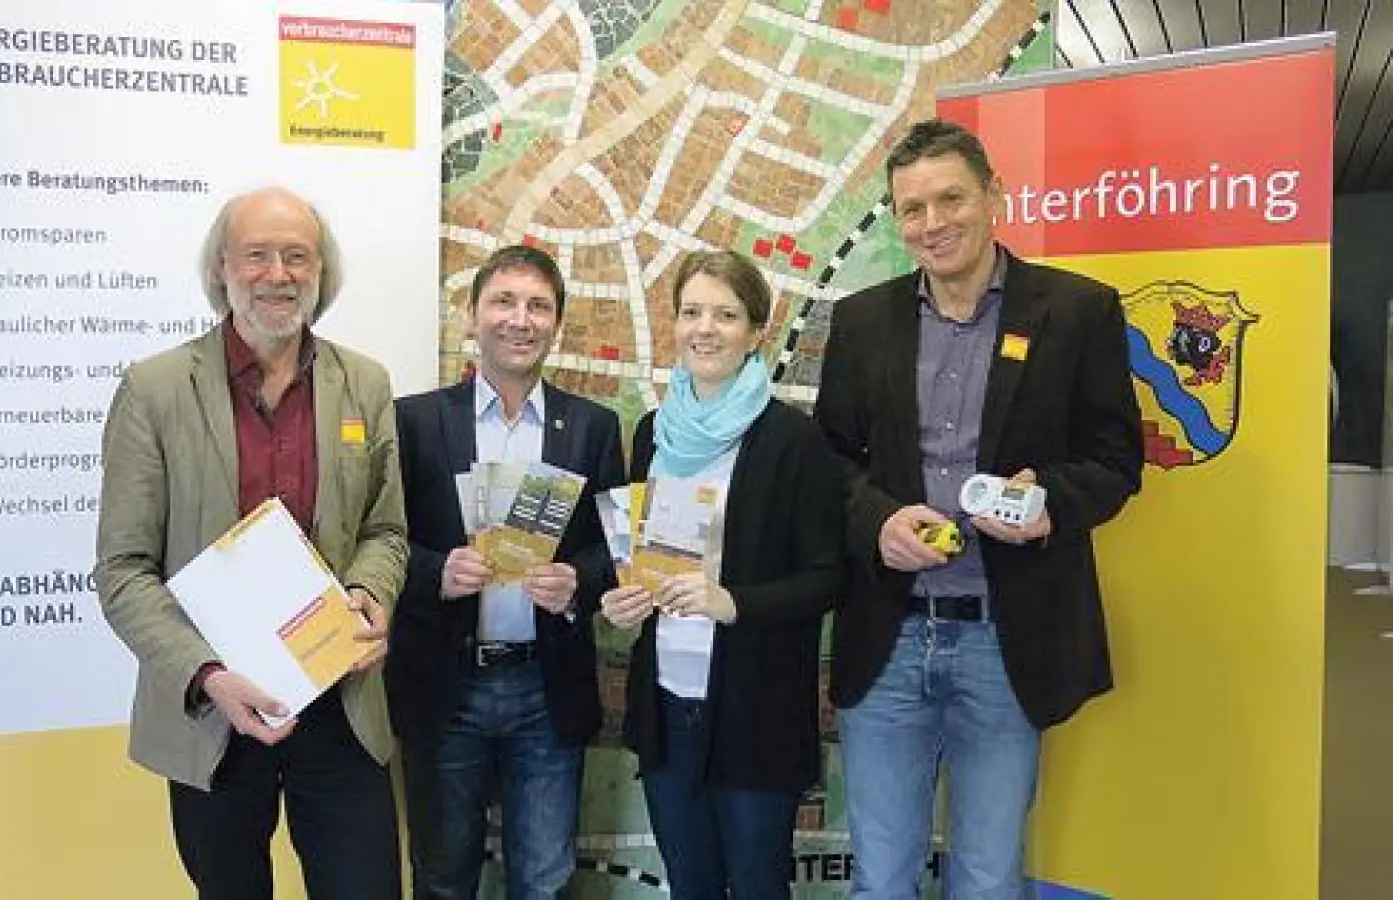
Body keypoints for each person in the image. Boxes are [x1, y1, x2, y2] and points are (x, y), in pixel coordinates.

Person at [814, 118, 1145, 900]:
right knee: (880, 881)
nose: (934, 224)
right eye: (913, 209)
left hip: (1008, 637)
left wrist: (1050, 503)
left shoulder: (1079, 311)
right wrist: (875, 524)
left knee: (992, 880)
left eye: (951, 198)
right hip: (887, 637)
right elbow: (828, 461)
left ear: (995, 195)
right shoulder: (861, 322)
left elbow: (1116, 460)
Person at [94, 186, 407, 900]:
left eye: (298, 256)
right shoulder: (156, 389)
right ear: (222, 270)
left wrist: (367, 592)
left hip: (341, 702)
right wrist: (207, 675)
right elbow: (122, 571)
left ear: (320, 271)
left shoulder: (364, 383)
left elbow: (385, 530)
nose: (279, 274)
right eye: (257, 255)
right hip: (216, 715)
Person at [600, 249, 845, 900]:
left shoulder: (792, 441)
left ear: (756, 330)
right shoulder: (654, 433)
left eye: (725, 315)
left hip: (755, 712)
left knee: (761, 888)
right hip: (667, 708)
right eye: (691, 312)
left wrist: (729, 602)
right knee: (692, 888)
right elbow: (643, 556)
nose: (705, 329)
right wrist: (626, 602)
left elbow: (827, 579)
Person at [387, 244, 624, 899]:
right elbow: (378, 543)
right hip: (445, 686)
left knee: (544, 881)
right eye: (503, 301)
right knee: (441, 877)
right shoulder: (415, 422)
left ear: (556, 323)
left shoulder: (593, 428)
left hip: (546, 688)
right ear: (471, 315)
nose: (520, 319)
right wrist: (436, 571)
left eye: (538, 306)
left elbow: (615, 551)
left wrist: (579, 580)